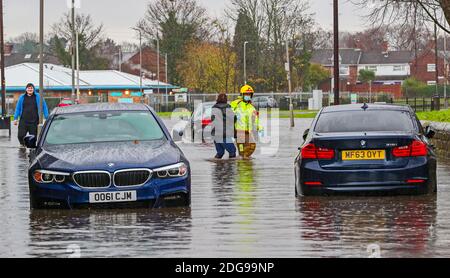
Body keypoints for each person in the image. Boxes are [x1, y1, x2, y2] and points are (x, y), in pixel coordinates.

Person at [233, 85, 263, 159]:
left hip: (248, 131)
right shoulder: (236, 104)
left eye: (249, 94)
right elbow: (228, 114)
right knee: (241, 149)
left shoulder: (251, 107)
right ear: (242, 94)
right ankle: (242, 162)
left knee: (252, 146)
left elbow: (256, 119)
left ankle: (245, 158)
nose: (248, 96)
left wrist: (260, 128)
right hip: (239, 131)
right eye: (246, 94)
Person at [211, 93, 237, 159]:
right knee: (232, 151)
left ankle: (217, 168)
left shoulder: (214, 108)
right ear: (226, 100)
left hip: (216, 135)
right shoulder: (227, 107)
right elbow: (233, 118)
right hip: (224, 135)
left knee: (220, 153)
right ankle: (230, 168)